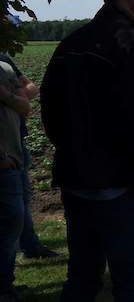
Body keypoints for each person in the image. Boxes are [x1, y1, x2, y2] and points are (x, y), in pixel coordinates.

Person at [40, 0, 134, 302]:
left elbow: (49, 108)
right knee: (133, 282)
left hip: (76, 176)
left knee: (81, 278)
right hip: (123, 181)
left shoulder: (72, 42)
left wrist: (72, 149)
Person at [0, 40, 58, 259]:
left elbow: (31, 90)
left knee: (22, 197)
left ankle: (29, 245)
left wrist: (10, 97)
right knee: (12, 207)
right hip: (4, 147)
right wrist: (15, 97)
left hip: (17, 140)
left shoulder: (4, 62)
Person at [0, 55, 29, 302]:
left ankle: (5, 285)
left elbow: (26, 104)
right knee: (9, 224)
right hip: (3, 159)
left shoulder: (5, 64)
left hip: (12, 155)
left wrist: (7, 96)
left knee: (12, 224)